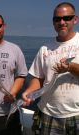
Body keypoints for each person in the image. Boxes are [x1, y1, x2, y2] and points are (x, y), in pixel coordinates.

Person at [22, 2, 79, 135]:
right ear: (53, 22)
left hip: (76, 114)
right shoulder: (45, 49)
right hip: (48, 113)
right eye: (57, 19)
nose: (62, 22)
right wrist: (29, 92)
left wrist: (71, 67)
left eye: (67, 18)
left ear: (75, 19)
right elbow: (39, 78)